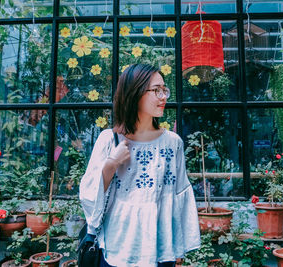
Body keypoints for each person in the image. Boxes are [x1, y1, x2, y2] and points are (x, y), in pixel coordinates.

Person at [79, 64, 201, 267]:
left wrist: (178, 247)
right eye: (156, 90)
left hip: (159, 251)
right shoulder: (109, 140)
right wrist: (112, 163)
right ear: (134, 92)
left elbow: (179, 194)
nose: (163, 97)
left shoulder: (172, 143)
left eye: (164, 90)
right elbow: (89, 196)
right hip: (116, 250)